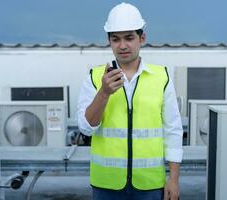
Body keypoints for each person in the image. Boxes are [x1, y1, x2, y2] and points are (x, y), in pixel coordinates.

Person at [77, 2, 183, 200]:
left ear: (142, 38)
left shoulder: (162, 77)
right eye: (116, 39)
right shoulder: (95, 77)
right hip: (106, 185)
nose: (122, 45)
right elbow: (85, 128)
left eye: (129, 38)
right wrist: (104, 93)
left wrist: (174, 179)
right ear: (109, 41)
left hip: (150, 184)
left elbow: (173, 130)